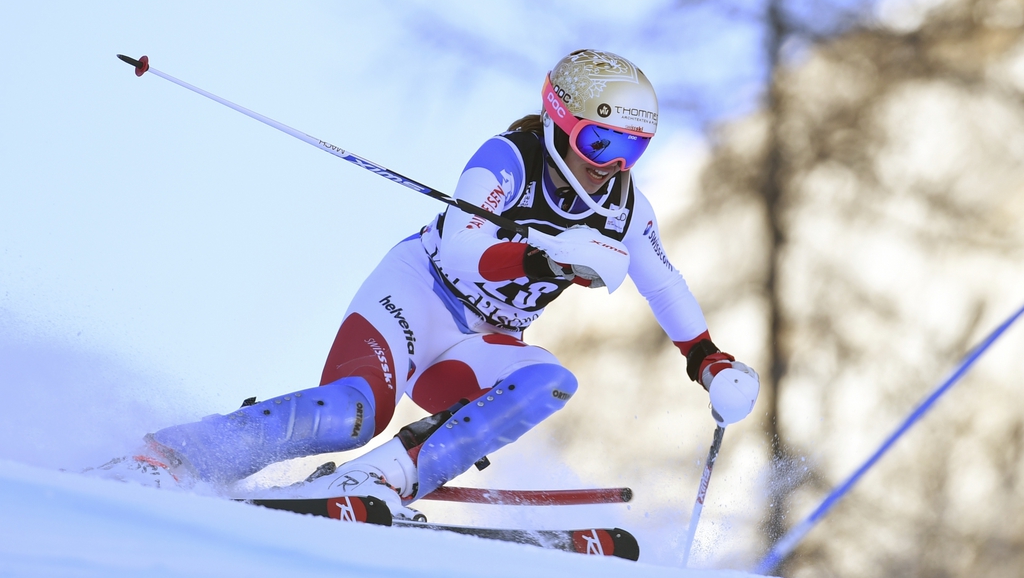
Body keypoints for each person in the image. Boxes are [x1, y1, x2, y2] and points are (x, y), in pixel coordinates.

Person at [125, 49, 759, 518]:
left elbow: (665, 285)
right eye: (599, 140)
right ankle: (176, 455)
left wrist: (707, 359)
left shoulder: (626, 210)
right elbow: (462, 246)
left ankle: (384, 477)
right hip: (418, 295)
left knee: (550, 378)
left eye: (634, 148)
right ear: (561, 122)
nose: (612, 165)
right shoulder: (507, 158)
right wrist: (549, 259)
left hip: (481, 338)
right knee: (353, 411)